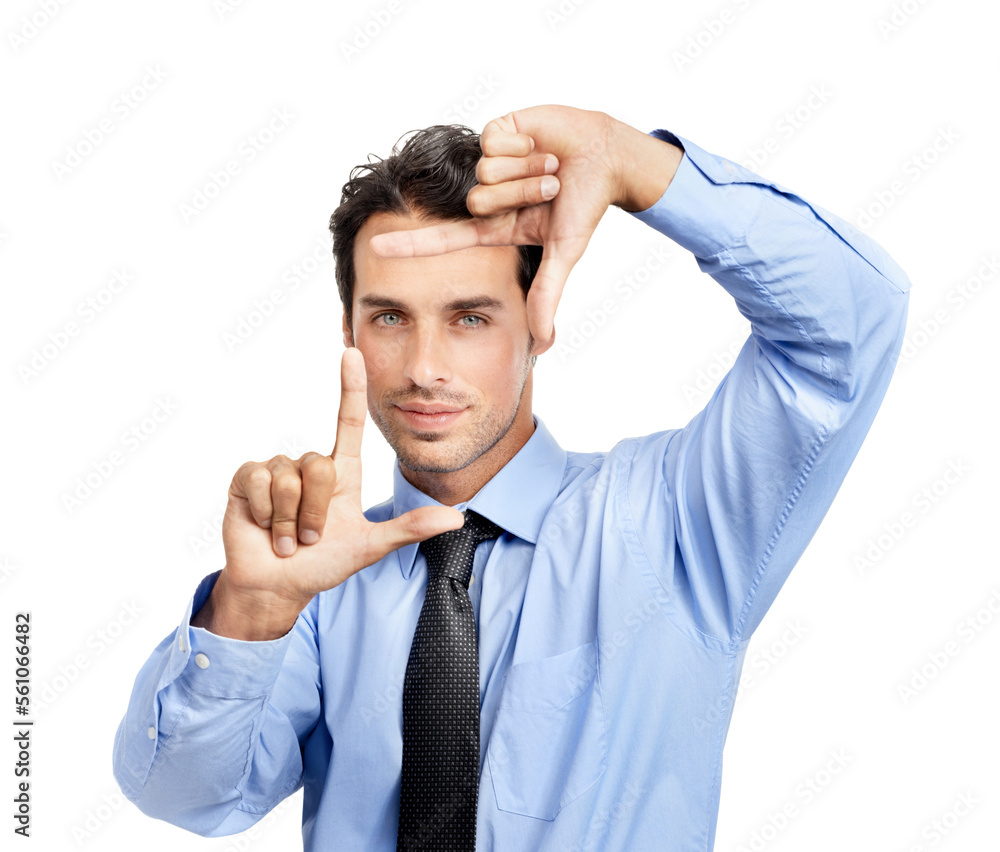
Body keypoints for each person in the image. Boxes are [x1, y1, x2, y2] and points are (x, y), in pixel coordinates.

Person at [112, 104, 910, 851]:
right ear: (348, 328)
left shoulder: (676, 520)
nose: (424, 369)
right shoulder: (315, 576)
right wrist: (253, 609)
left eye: (470, 317)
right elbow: (184, 796)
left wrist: (639, 166)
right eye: (390, 317)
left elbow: (853, 317)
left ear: (537, 316)